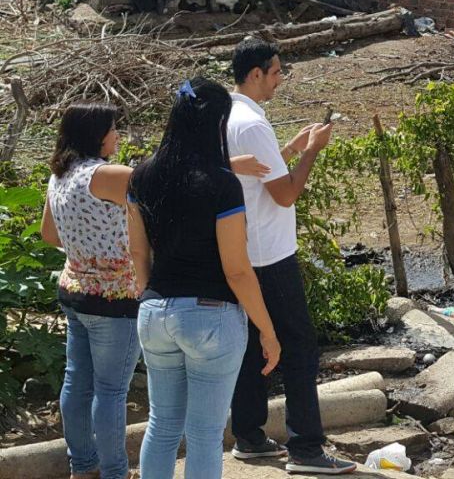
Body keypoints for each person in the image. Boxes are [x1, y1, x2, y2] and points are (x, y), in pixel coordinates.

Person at [126, 78, 282, 479]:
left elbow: (138, 251)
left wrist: (149, 292)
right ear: (218, 124)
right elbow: (237, 269)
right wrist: (267, 330)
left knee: (161, 426)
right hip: (210, 316)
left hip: (155, 312)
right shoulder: (221, 182)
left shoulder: (142, 176)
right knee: (205, 434)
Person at [227, 38, 357, 474]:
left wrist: (291, 149)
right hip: (270, 253)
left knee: (251, 345)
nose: (281, 80)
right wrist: (314, 150)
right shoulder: (253, 124)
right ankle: (306, 449)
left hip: (244, 248)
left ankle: (248, 435)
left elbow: (258, 174)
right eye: (277, 72)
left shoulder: (227, 113)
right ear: (256, 74)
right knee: (298, 346)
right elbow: (284, 194)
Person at [40, 102, 140, 479]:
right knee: (111, 392)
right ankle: (115, 473)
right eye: (113, 128)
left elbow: (49, 236)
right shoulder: (107, 174)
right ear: (97, 135)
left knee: (76, 384)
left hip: (74, 290)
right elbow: (162, 183)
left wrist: (86, 250)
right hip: (115, 299)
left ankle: (83, 467)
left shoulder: (60, 175)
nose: (117, 135)